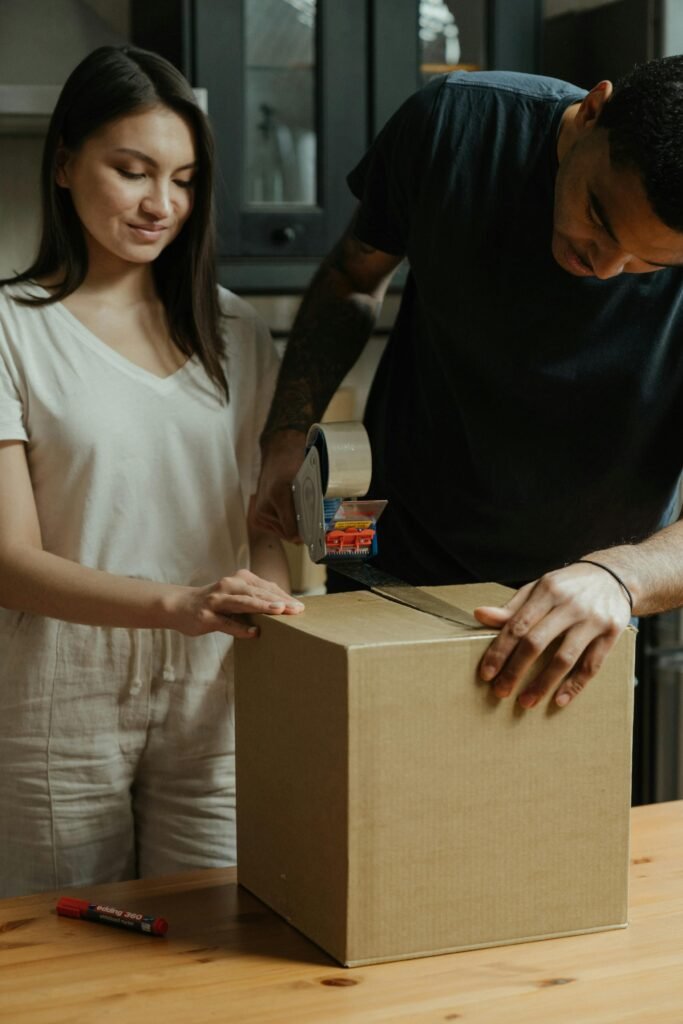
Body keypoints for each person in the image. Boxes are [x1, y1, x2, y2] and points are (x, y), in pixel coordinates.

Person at [254, 56, 683, 712]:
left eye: (647, 263)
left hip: (580, 612)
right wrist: (285, 436)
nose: (603, 267)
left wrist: (618, 577)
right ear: (592, 111)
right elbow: (350, 277)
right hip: (390, 566)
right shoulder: (454, 123)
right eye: (597, 216)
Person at [0, 45, 304, 899]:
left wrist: (266, 614)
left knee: (220, 930)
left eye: (182, 178)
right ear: (64, 164)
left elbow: (258, 525)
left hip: (215, 685)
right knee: (66, 945)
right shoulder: (12, 329)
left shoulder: (237, 334)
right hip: (59, 690)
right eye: (131, 170)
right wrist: (179, 606)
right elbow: (8, 561)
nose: (159, 204)